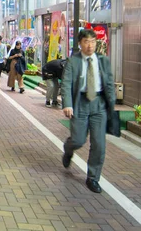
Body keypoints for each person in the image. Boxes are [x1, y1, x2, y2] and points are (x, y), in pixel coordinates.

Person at [61, 29, 116, 194]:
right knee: (78, 140)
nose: (90, 45)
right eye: (86, 41)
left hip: (99, 104)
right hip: (80, 103)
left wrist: (111, 105)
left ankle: (93, 177)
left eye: (93, 41)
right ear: (80, 43)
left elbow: (109, 83)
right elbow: (66, 83)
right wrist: (67, 104)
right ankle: (68, 149)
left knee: (99, 144)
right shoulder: (74, 61)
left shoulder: (103, 60)